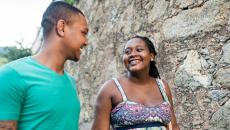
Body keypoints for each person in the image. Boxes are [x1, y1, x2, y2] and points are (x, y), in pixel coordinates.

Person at [0, 1, 88, 130]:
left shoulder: (71, 82)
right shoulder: (12, 75)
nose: (86, 42)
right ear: (61, 27)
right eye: (83, 33)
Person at [92, 35, 180, 130]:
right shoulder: (110, 88)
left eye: (139, 50)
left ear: (151, 56)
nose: (132, 54)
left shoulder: (163, 86)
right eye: (127, 52)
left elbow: (173, 126)